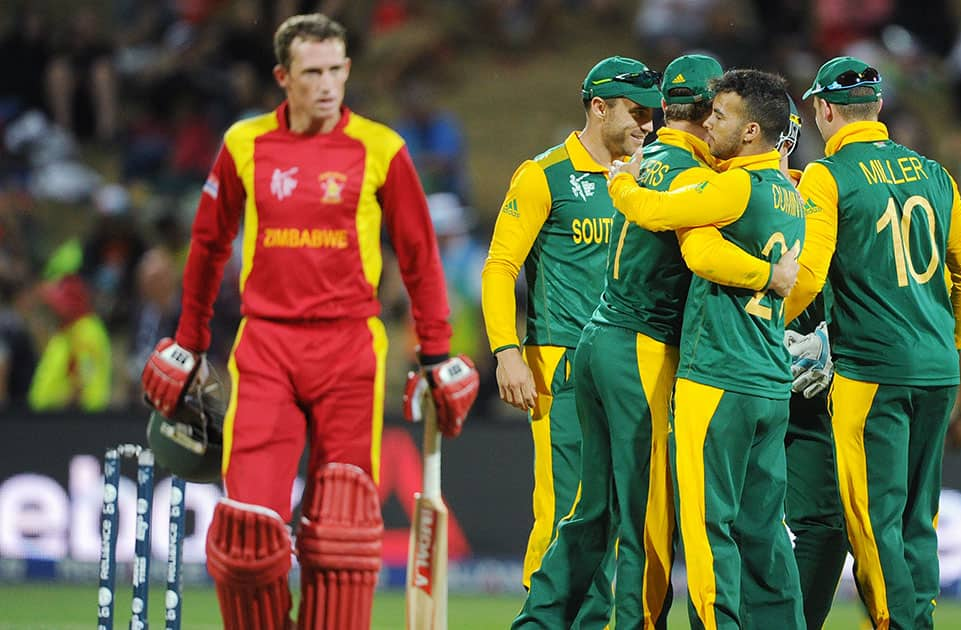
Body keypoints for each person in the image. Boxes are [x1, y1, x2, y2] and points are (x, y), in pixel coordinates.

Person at [140, 14, 478, 629]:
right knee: (245, 539)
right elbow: (208, 244)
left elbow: (420, 253)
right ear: (282, 77)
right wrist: (187, 344)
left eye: (336, 71)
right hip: (266, 347)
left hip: (350, 349)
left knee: (342, 540)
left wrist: (436, 353)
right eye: (312, 73)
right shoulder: (244, 144)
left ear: (348, 70)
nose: (327, 85)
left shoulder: (383, 148)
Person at [511, 56, 800, 630]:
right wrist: (771, 274)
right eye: (716, 110)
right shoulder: (694, 175)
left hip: (599, 337)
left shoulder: (650, 158)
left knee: (588, 511)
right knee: (647, 519)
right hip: (642, 350)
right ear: (706, 114)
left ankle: (539, 622)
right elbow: (702, 253)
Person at [785, 56, 961, 629]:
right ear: (878, 109)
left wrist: (767, 327)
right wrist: (946, 341)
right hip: (936, 371)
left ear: (824, 109)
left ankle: (901, 624)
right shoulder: (932, 172)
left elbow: (809, 277)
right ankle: (915, 615)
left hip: (871, 372)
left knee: (872, 522)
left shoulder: (830, 174)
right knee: (918, 520)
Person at [607, 68, 808, 629]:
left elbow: (663, 219)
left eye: (720, 114)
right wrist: (771, 274)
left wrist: (622, 180)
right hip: (770, 380)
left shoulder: (733, 187)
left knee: (706, 529)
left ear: (750, 133)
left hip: (718, 376)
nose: (707, 121)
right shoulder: (790, 195)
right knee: (765, 533)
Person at [484, 55, 662, 628]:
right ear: (598, 107)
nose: (648, 125)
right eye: (635, 112)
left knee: (621, 514)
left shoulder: (650, 174)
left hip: (636, 360)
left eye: (653, 114)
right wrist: (506, 351)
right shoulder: (545, 176)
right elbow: (499, 267)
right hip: (561, 361)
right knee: (567, 512)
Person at [776, 96, 849, 630]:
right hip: (728, 380)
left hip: (809, 389)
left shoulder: (817, 195)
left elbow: (858, 291)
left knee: (827, 525)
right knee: (726, 530)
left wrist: (832, 342)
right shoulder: (703, 195)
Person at [28, 273, 112, 412]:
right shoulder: (65, 332)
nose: (55, 309)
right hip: (46, 419)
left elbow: (82, 381)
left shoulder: (86, 331)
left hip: (75, 421)